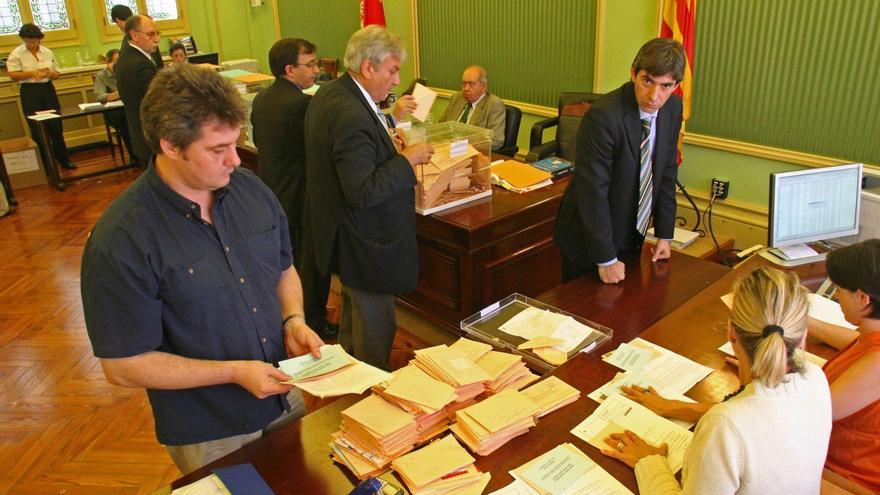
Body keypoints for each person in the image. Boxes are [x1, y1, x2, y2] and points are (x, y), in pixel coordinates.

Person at [81, 63, 323, 475]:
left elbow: (283, 269)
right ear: (171, 146)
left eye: (236, 142)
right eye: (217, 149)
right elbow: (123, 365)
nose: (235, 159)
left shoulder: (252, 190)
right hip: (210, 429)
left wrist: (294, 319)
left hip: (284, 394)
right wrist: (233, 372)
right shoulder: (122, 240)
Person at [602, 267, 832, 493]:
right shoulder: (816, 378)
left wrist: (649, 463)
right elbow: (761, 417)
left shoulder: (724, 425)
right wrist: (677, 407)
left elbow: (737, 424)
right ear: (802, 337)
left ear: (731, 331)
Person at [304, 25, 433, 370]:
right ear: (369, 68)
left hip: (342, 236)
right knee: (376, 329)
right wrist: (407, 160)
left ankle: (350, 377)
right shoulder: (350, 113)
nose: (396, 80)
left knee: (356, 322)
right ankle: (369, 395)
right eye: (392, 70)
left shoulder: (333, 94)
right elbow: (363, 190)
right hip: (364, 242)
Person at [554, 38, 684, 284]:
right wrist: (605, 259)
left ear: (675, 85)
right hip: (588, 239)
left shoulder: (673, 108)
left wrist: (665, 234)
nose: (654, 96)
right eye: (647, 81)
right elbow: (592, 191)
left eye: (665, 86)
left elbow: (667, 170)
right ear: (633, 73)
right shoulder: (604, 116)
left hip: (631, 229)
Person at [252, 38, 335, 338]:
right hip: (302, 196)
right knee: (309, 264)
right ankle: (312, 320)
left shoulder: (263, 99)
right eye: (310, 64)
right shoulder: (301, 104)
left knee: (287, 262)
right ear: (290, 69)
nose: (316, 70)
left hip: (272, 191)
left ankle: (289, 314)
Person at [808, 239, 880, 492]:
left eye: (838, 289)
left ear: (862, 297)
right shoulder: (873, 335)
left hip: (847, 476)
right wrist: (807, 323)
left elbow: (810, 415)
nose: (836, 296)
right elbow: (860, 342)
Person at [6, 23, 76, 170]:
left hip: (47, 89)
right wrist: (32, 73)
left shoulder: (47, 52)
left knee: (55, 126)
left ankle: (64, 159)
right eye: (29, 41)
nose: (33, 44)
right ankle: (47, 165)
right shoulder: (17, 53)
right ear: (23, 39)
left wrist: (51, 74)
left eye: (36, 41)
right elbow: (12, 74)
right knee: (38, 128)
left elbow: (57, 73)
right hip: (29, 91)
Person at [115, 14, 161, 167]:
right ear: (134, 35)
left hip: (138, 136)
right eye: (151, 34)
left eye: (157, 33)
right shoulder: (140, 65)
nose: (157, 39)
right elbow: (161, 101)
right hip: (151, 138)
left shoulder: (124, 59)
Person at [439, 66, 505, 150]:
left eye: (471, 84)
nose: (466, 88)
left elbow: (496, 140)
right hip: (447, 149)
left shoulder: (494, 104)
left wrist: (460, 146)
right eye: (464, 84)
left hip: (472, 152)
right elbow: (442, 124)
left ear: (483, 87)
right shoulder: (457, 98)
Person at [93, 48, 133, 161]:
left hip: (129, 106)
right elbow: (99, 96)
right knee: (125, 121)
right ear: (108, 63)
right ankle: (133, 155)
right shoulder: (102, 75)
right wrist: (115, 95)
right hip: (114, 110)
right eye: (116, 61)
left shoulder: (127, 72)